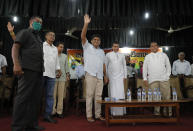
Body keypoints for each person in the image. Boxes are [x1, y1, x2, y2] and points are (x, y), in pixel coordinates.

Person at [11, 16, 44, 131]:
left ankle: (31, 124)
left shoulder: (38, 37)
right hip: (27, 70)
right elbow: (15, 47)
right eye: (37, 22)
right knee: (23, 98)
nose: (39, 24)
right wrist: (16, 64)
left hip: (39, 71)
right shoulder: (24, 32)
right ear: (30, 22)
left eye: (40, 23)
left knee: (35, 99)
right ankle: (17, 127)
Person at [81, 14, 107, 122]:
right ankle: (89, 116)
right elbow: (83, 36)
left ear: (100, 42)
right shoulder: (87, 47)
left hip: (100, 76)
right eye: (94, 40)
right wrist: (86, 24)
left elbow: (104, 64)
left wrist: (105, 76)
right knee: (90, 95)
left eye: (98, 40)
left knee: (99, 96)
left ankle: (97, 115)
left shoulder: (102, 52)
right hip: (90, 74)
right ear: (91, 41)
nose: (96, 41)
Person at [143, 42, 172, 116]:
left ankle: (168, 113)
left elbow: (168, 66)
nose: (154, 47)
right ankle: (157, 113)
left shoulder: (164, 55)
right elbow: (144, 69)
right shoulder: (147, 56)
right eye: (152, 46)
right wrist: (145, 79)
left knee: (167, 97)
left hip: (164, 79)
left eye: (155, 46)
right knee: (155, 98)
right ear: (150, 48)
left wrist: (167, 75)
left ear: (158, 47)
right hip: (152, 80)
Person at [43, 31, 61, 123]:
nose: (52, 36)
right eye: (50, 35)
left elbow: (57, 60)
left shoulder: (55, 48)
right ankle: (33, 116)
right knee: (37, 95)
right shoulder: (41, 45)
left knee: (50, 96)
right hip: (41, 74)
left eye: (54, 35)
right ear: (46, 36)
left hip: (52, 75)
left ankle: (47, 115)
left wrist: (58, 69)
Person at [106, 42, 127, 116]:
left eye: (117, 46)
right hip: (111, 77)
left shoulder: (122, 55)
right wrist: (106, 76)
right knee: (113, 94)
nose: (116, 48)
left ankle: (121, 113)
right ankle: (113, 112)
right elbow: (106, 66)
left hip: (120, 77)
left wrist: (125, 77)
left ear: (119, 47)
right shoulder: (108, 55)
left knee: (121, 94)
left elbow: (124, 66)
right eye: (114, 46)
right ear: (112, 47)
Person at [52, 42, 70, 118]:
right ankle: (53, 111)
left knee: (61, 96)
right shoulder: (52, 55)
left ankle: (59, 112)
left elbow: (67, 67)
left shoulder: (65, 56)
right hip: (53, 77)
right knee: (53, 96)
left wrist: (68, 75)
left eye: (62, 47)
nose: (61, 48)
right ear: (56, 47)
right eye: (60, 47)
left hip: (62, 78)